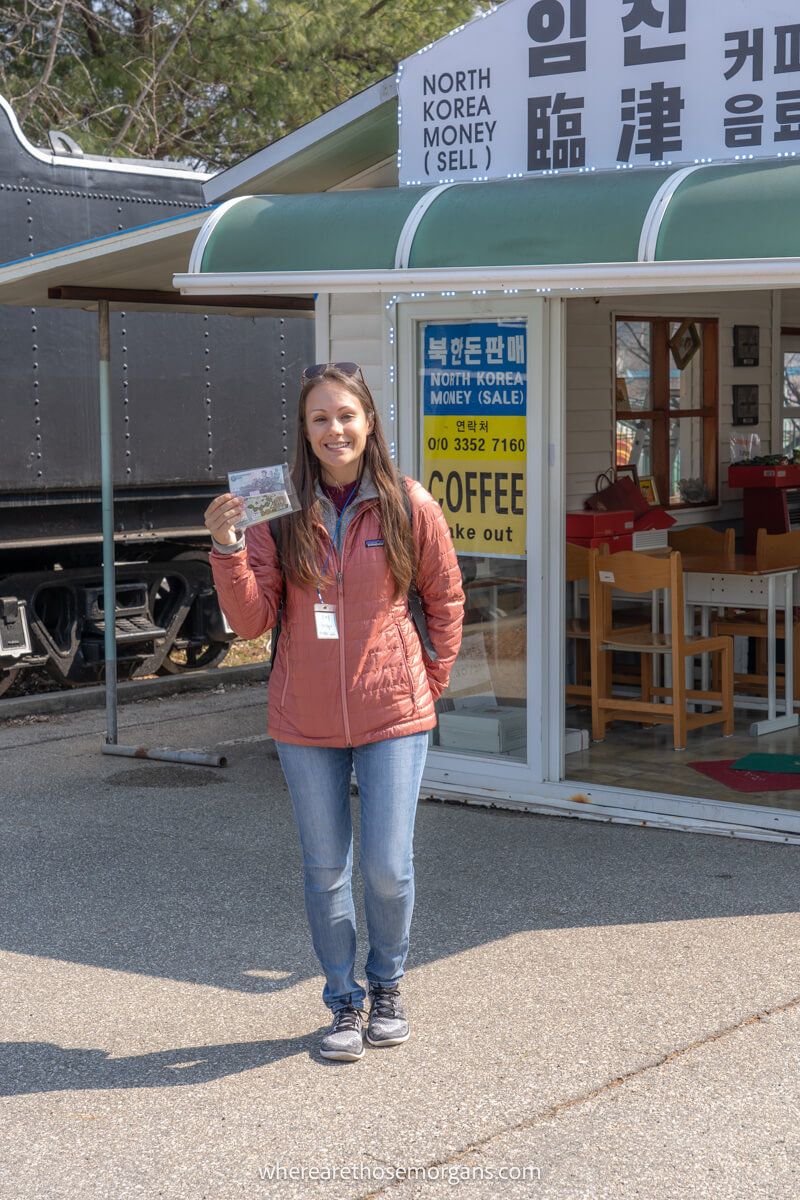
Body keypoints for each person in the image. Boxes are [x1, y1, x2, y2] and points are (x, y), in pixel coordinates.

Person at [204, 362, 464, 1062]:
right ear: (305, 430)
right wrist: (227, 550)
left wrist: (427, 682)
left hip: (394, 714)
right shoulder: (271, 504)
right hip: (306, 722)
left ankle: (387, 988)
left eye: (346, 414)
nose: (334, 429)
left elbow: (445, 600)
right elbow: (253, 621)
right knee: (325, 869)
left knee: (387, 867)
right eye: (320, 418)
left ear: (369, 421)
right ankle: (343, 1002)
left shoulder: (410, 503)